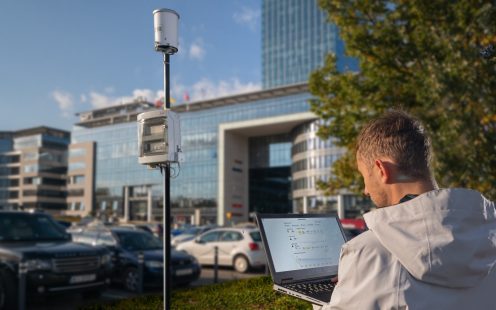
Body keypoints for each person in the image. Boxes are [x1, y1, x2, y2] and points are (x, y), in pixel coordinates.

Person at [318, 110, 496, 309]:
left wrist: (343, 288)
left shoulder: (370, 253)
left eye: (364, 177)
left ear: (381, 170)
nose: (365, 190)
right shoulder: (490, 235)